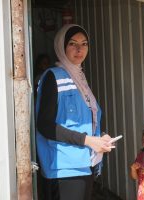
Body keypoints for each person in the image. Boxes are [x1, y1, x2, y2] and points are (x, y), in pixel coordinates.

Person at [36, 24, 114, 200]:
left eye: (84, 43)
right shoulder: (53, 76)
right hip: (63, 167)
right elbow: (45, 125)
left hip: (84, 163)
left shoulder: (80, 79)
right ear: (62, 47)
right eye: (73, 43)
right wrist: (88, 140)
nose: (79, 49)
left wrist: (99, 137)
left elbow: (83, 122)